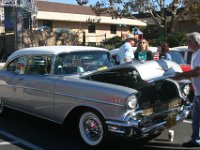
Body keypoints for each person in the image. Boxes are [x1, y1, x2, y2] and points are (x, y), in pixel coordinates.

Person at [173, 32, 200, 147]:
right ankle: (196, 139)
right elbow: (194, 73)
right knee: (196, 119)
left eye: (189, 41)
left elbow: (198, 71)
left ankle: (196, 140)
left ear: (196, 41)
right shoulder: (195, 53)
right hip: (198, 92)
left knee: (196, 118)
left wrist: (180, 75)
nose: (187, 44)